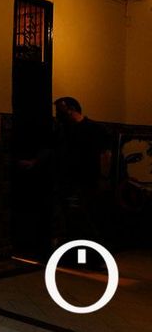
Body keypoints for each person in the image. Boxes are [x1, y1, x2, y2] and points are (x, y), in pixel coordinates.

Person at [53, 96, 113, 245]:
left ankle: (94, 255)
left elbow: (106, 154)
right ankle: (81, 255)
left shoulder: (95, 129)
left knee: (87, 219)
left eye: (60, 110)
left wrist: (103, 178)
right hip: (69, 181)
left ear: (71, 109)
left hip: (89, 180)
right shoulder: (64, 131)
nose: (57, 115)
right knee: (75, 219)